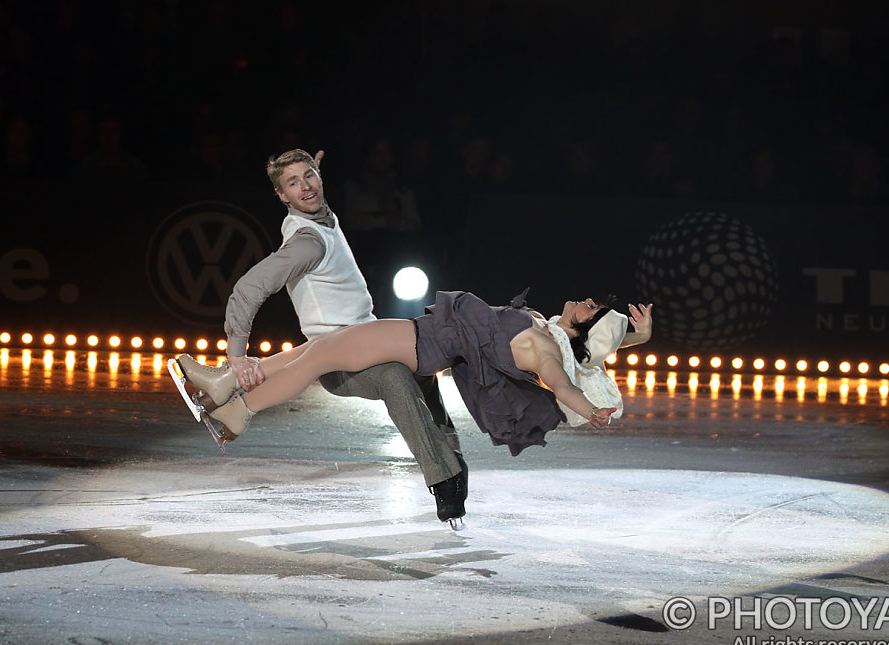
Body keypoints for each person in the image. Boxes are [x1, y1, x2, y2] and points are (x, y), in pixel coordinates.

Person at [216, 148, 468, 524]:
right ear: (281, 196)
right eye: (292, 183)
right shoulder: (308, 241)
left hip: (367, 340)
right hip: (338, 360)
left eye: (310, 176)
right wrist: (237, 352)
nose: (305, 187)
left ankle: (453, 458)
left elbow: (314, 196)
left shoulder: (323, 219)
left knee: (423, 361)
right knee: (397, 377)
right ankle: (444, 478)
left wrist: (310, 169)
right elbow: (249, 287)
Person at [177, 289, 653, 477]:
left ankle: (238, 408)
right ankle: (224, 385)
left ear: (583, 328)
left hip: (422, 345)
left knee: (318, 356)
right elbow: (591, 354)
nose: (587, 300)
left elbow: (562, 384)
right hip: (423, 339)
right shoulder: (549, 331)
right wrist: (638, 336)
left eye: (593, 310)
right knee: (314, 351)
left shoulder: (545, 348)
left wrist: (589, 410)